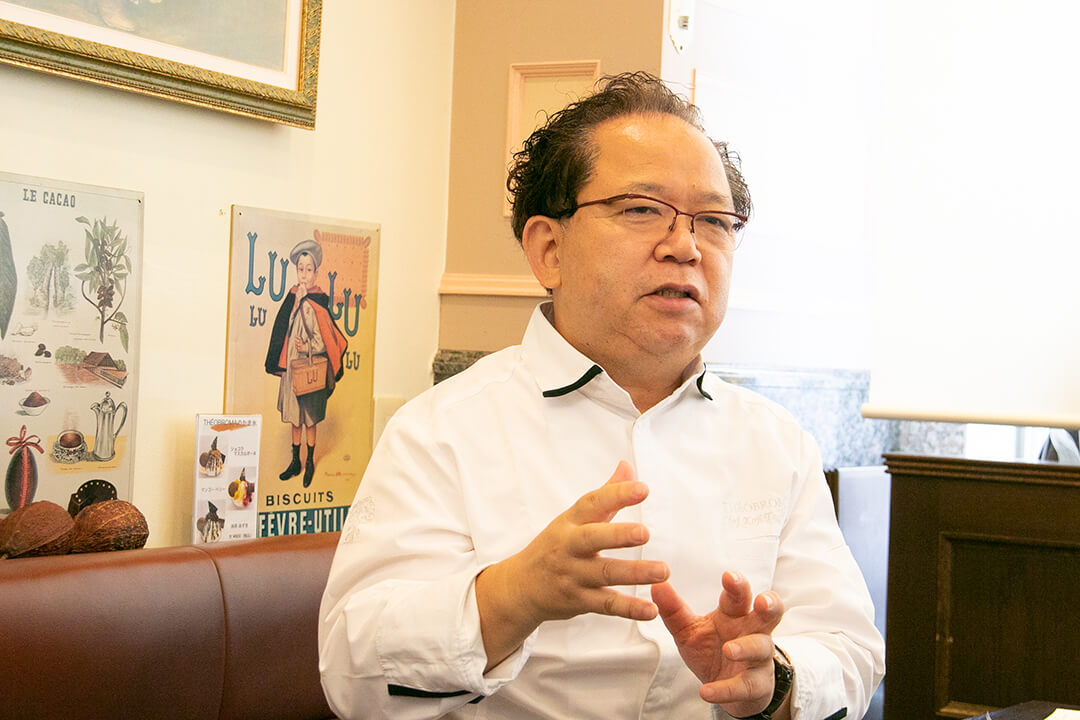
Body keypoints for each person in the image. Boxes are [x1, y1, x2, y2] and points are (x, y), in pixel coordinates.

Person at [319, 72, 884, 720]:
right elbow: (352, 675)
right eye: (642, 209)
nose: (685, 247)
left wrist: (773, 679)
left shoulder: (776, 442)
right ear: (549, 250)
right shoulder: (441, 430)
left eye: (714, 221)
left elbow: (850, 651)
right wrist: (512, 597)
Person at [265, 239, 348, 488]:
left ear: (316, 273)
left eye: (308, 269)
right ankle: (295, 461)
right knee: (295, 417)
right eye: (300, 269)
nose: (304, 274)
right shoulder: (293, 297)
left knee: (309, 419)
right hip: (294, 369)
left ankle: (309, 461)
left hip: (312, 372)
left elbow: (325, 341)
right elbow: (284, 328)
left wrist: (307, 348)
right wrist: (296, 304)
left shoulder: (318, 302)